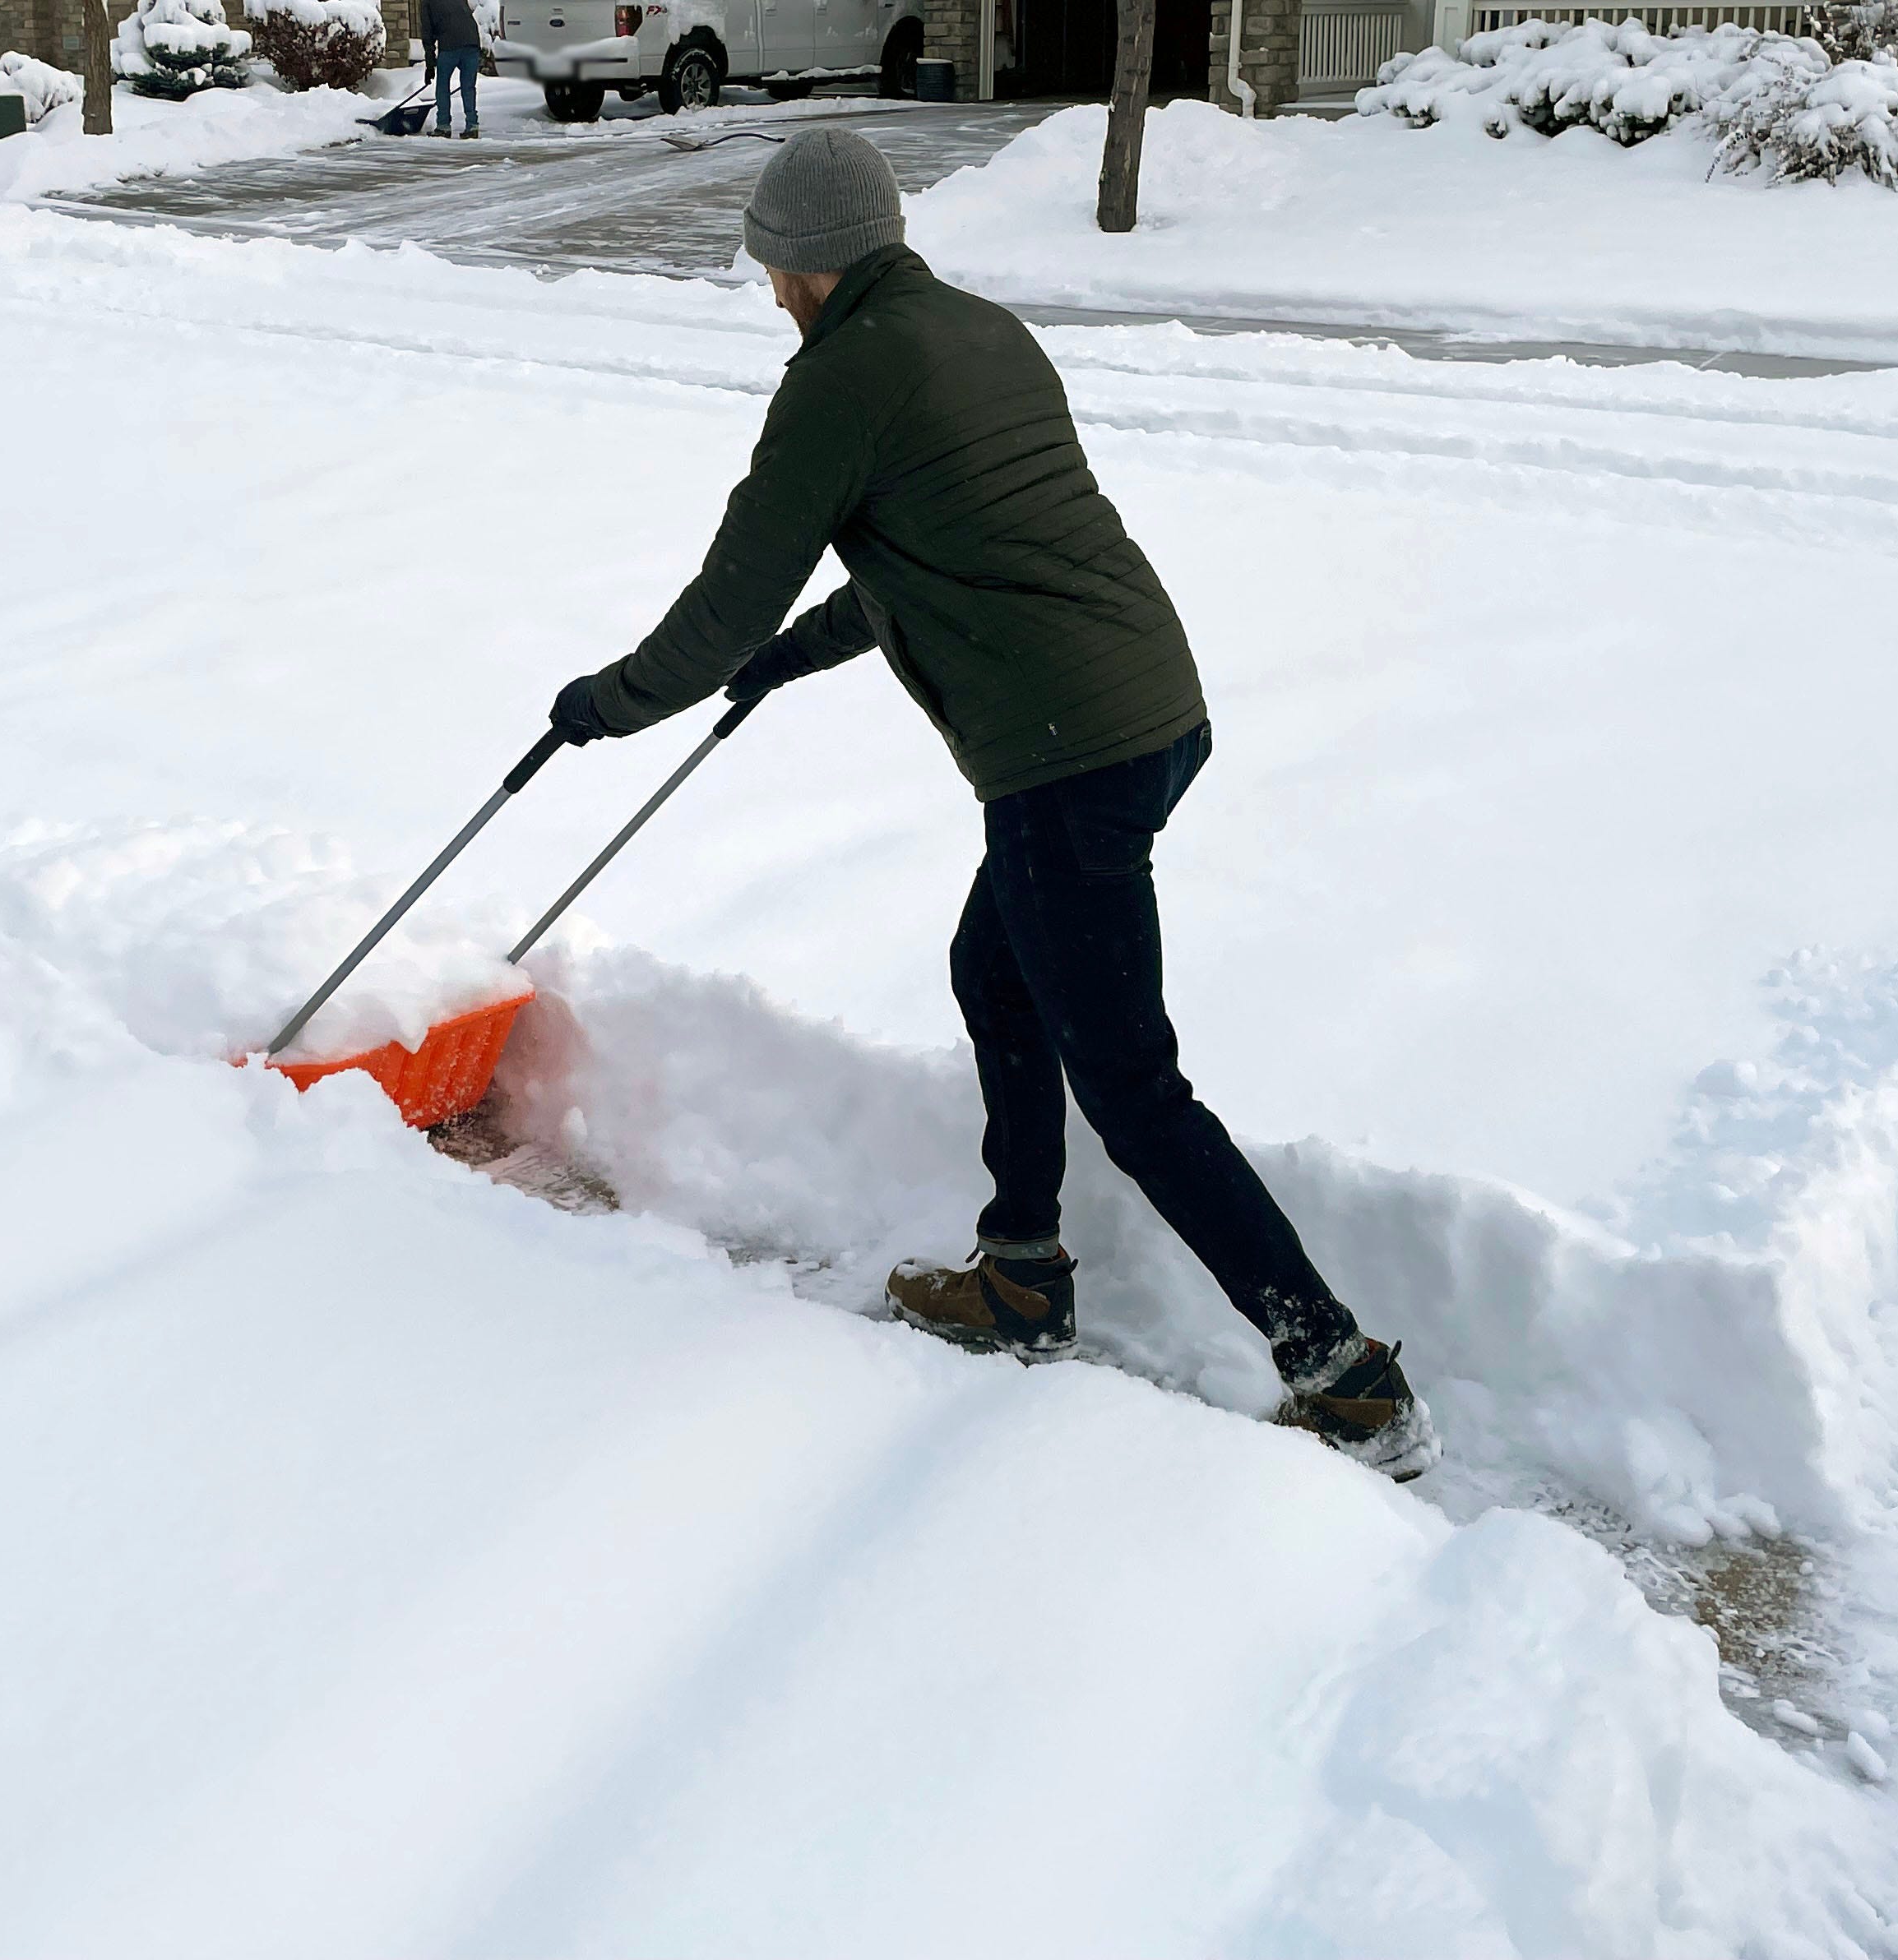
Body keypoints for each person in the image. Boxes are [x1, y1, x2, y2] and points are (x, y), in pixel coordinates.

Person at [546, 129, 1437, 1482]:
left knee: (1131, 1087)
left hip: (1065, 755)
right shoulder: (976, 331)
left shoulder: (839, 381)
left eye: (771, 266)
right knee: (996, 969)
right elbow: (950, 546)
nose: (769, 289)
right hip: (1148, 707)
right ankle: (1021, 1270)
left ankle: (1343, 1376)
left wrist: (608, 703)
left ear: (799, 262)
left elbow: (724, 606)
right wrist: (798, 653)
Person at [424, 0, 484, 138]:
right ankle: (472, 126)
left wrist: (430, 64)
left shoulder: (427, 2)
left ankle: (443, 126)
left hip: (450, 45)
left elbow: (427, 32)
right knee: (468, 87)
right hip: (472, 41)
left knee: (443, 86)